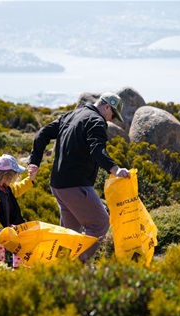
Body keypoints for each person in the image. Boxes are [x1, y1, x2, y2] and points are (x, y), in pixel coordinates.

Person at [28, 92, 130, 263]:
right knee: (100, 223)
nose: (111, 120)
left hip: (58, 185)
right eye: (113, 114)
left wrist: (34, 162)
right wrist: (115, 169)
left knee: (71, 233)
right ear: (106, 107)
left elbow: (42, 133)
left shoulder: (72, 114)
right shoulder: (97, 122)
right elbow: (97, 149)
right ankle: (77, 265)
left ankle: (60, 268)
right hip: (75, 185)